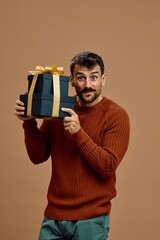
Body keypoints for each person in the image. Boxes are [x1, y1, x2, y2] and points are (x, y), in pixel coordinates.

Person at [15, 51, 130, 240]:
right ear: (71, 80)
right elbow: (37, 157)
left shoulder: (116, 115)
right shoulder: (58, 109)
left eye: (93, 77)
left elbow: (108, 167)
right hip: (53, 217)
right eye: (81, 78)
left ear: (103, 79)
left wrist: (78, 132)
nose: (87, 85)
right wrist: (28, 122)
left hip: (91, 219)